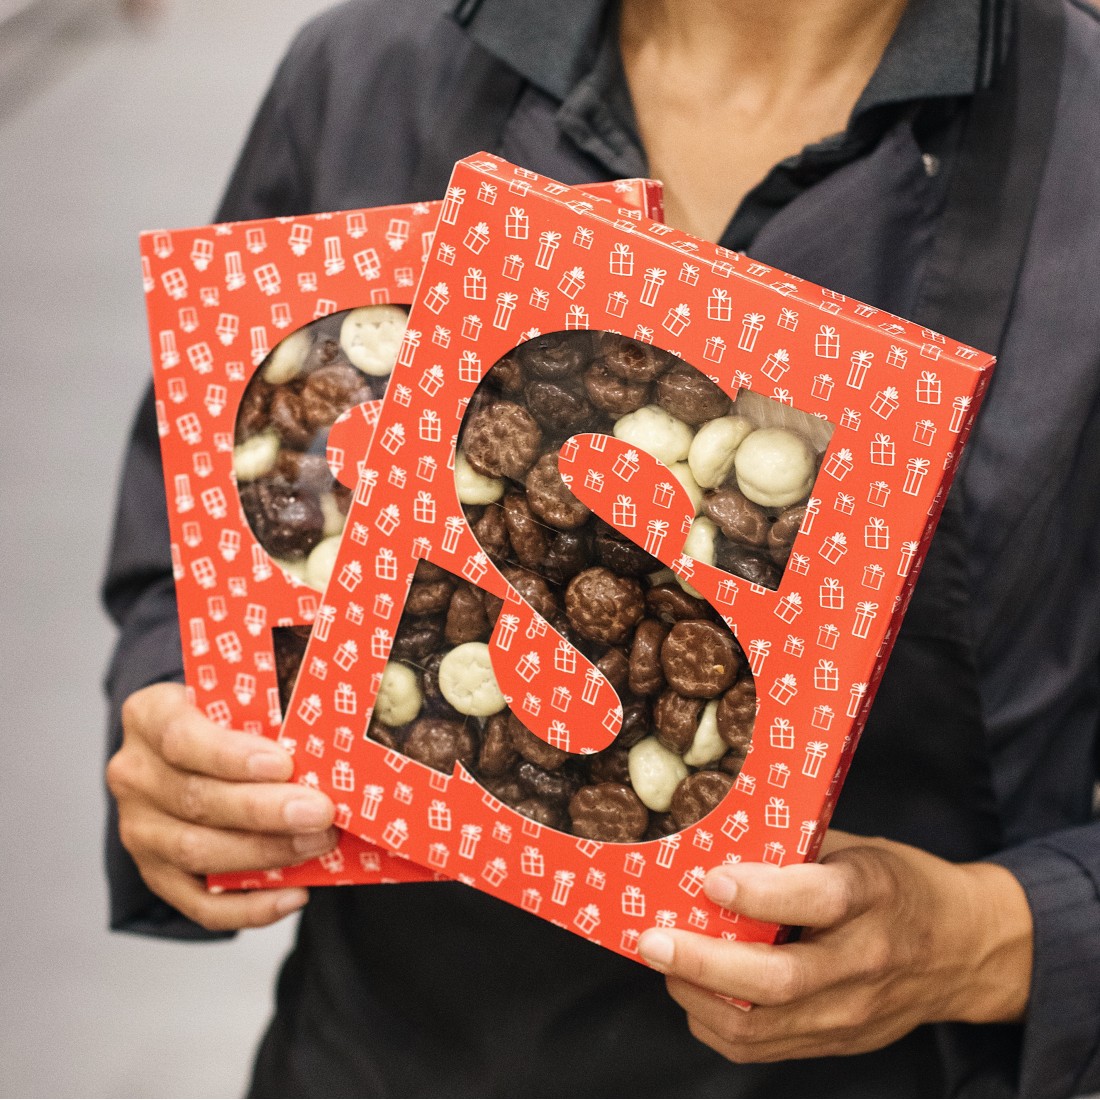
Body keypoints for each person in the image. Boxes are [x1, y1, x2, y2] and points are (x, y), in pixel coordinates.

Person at [104, 0, 1100, 1095]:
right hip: (390, 1054)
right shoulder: (368, 77)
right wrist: (180, 750)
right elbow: (185, 558)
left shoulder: (1074, 152)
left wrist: (996, 935)